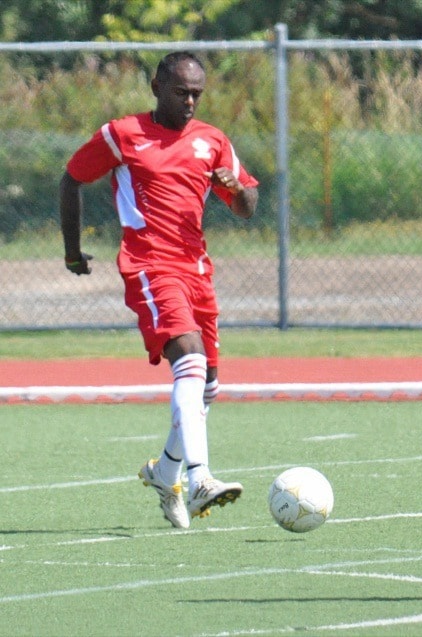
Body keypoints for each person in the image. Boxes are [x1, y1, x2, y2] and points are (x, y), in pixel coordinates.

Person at [60, 51, 259, 529]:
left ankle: (164, 472)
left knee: (206, 386)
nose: (189, 101)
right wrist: (72, 249)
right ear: (156, 86)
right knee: (187, 358)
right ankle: (200, 480)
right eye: (180, 92)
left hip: (197, 272)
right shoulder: (123, 135)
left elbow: (247, 204)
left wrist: (237, 187)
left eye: (197, 94)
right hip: (149, 264)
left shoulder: (211, 140)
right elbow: (71, 179)